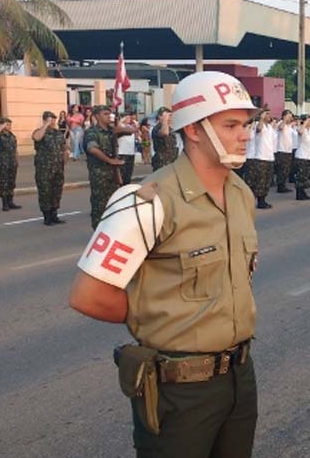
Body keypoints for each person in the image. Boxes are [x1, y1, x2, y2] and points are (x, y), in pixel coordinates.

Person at [69, 71, 261, 458]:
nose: (245, 134)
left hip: (240, 376)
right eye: (231, 125)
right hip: (179, 388)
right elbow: (88, 295)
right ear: (193, 130)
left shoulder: (241, 195)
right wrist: (157, 318)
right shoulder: (147, 200)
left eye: (246, 124)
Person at [84, 105, 124, 229]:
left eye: (109, 114)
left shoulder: (112, 130)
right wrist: (110, 161)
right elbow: (92, 149)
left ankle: (111, 230)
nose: (109, 116)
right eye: (105, 114)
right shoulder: (92, 132)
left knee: (114, 203)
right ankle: (98, 231)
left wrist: (118, 124)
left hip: (113, 173)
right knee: (100, 205)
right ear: (97, 116)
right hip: (99, 174)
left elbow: (131, 130)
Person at [33, 110, 69, 226]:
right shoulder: (39, 132)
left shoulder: (58, 133)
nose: (53, 121)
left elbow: (64, 148)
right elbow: (37, 138)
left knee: (56, 191)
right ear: (45, 120)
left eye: (54, 119)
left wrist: (64, 161)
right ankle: (47, 217)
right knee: (45, 191)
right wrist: (45, 125)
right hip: (44, 168)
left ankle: (54, 214)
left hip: (58, 167)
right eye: (50, 119)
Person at [0, 117, 21, 211]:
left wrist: (17, 160)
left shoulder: (12, 135)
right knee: (4, 182)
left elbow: (15, 148)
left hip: (12, 161)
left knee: (11, 182)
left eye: (10, 125)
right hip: (3, 161)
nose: (9, 126)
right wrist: (0, 128)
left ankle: (10, 201)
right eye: (7, 124)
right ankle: (4, 203)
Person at [294, 116, 310, 201]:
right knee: (300, 176)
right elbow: (300, 131)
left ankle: (303, 191)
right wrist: (305, 123)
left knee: (305, 176)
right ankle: (299, 193)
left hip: (308, 155)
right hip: (301, 155)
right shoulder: (301, 129)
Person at [151, 107, 177, 172]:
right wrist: (165, 120)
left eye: (170, 116)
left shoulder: (170, 128)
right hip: (162, 162)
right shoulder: (157, 128)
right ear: (159, 117)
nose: (169, 118)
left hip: (172, 161)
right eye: (167, 116)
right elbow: (165, 133)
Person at [116, 110, 139, 185]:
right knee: (122, 174)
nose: (129, 119)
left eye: (129, 117)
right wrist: (121, 121)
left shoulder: (130, 126)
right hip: (122, 153)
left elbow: (135, 135)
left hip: (130, 152)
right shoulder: (120, 127)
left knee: (128, 174)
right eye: (127, 117)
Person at [275, 110, 294, 193]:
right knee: (281, 169)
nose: (290, 118)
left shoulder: (289, 126)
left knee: (286, 170)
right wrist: (284, 120)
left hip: (288, 150)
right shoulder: (280, 123)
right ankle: (280, 186)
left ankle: (283, 184)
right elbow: (280, 128)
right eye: (289, 116)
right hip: (281, 150)